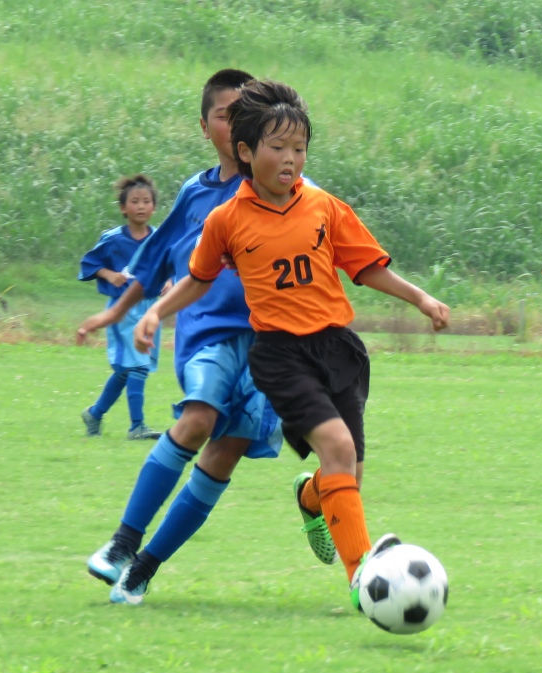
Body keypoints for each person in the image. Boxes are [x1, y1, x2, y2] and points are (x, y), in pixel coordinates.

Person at [133, 79, 450, 606]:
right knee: (339, 449)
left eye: (299, 148)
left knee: (347, 474)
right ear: (245, 151)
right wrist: (156, 312)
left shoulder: (323, 206)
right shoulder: (226, 220)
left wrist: (421, 298)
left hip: (338, 350)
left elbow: (365, 266)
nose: (290, 159)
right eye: (277, 147)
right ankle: (363, 580)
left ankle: (311, 495)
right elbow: (198, 279)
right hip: (281, 356)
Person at [75, 69, 325, 606]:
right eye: (226, 114)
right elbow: (154, 263)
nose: (237, 123)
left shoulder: (291, 193)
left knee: (226, 451)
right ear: (207, 127)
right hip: (208, 335)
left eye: (248, 114)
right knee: (199, 419)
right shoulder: (197, 194)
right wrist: (120, 313)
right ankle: (122, 543)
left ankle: (143, 569)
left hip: (271, 345)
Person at [77, 174, 162, 440]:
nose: (141, 206)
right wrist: (108, 274)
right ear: (123, 208)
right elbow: (89, 263)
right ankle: (137, 426)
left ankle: (95, 413)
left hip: (149, 309)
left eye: (146, 201)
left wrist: (169, 282)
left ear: (154, 207)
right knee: (137, 366)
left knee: (128, 370)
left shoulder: (159, 238)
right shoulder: (113, 239)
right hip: (122, 311)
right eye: (134, 201)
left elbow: (168, 264)